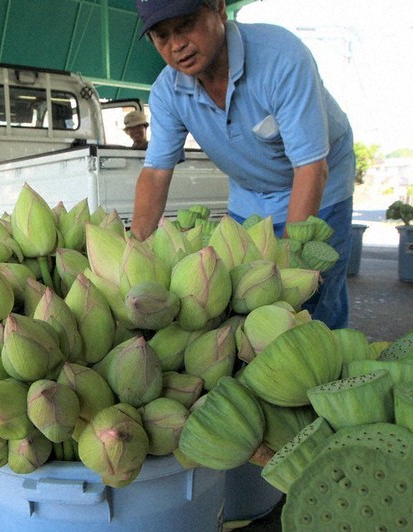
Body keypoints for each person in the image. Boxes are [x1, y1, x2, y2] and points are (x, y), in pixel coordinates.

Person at [130, 0, 356, 330]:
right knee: (236, 297)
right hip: (249, 193)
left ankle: (330, 352)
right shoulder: (167, 92)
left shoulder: (281, 57)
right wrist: (133, 252)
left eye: (186, 25)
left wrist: (286, 263)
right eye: (161, 36)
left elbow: (311, 168)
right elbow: (155, 173)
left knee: (310, 296)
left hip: (321, 183)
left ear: (219, 8)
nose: (177, 45)